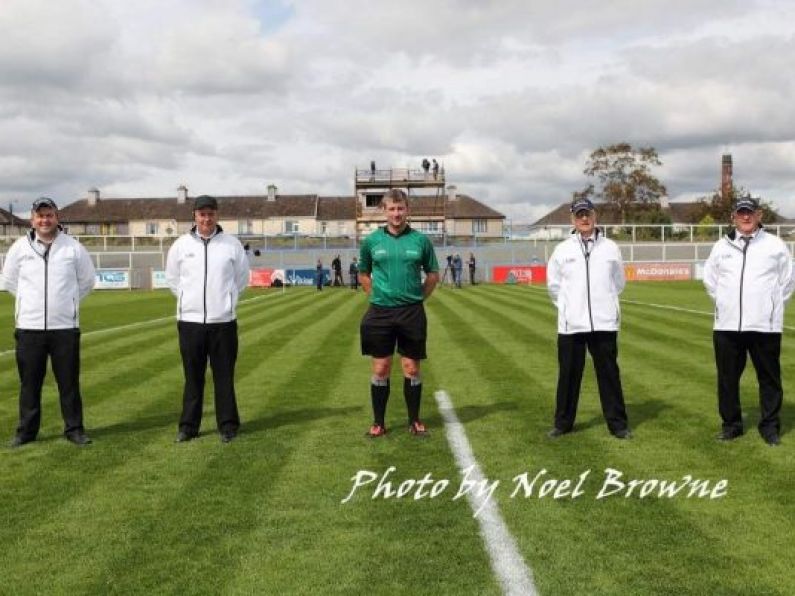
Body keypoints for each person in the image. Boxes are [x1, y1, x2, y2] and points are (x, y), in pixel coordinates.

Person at [3, 197, 96, 448]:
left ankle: (74, 429)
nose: (45, 220)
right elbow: (9, 281)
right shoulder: (19, 248)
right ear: (33, 219)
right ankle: (26, 432)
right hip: (29, 329)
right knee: (29, 384)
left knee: (68, 383)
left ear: (57, 217)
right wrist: (28, 304)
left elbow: (87, 281)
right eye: (40, 215)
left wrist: (68, 303)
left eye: (49, 215)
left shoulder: (73, 247)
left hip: (65, 328)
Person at [703, 196, 794, 446]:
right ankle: (731, 425)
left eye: (750, 213)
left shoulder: (775, 245)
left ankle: (770, 427)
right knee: (727, 379)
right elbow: (710, 281)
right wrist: (724, 304)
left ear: (759, 215)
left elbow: (787, 282)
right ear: (733, 216)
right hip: (727, 326)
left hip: (765, 326)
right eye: (741, 212)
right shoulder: (721, 247)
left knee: (769, 378)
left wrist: (771, 308)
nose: (746, 217)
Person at [165, 195, 250, 443]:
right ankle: (188, 427)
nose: (206, 218)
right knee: (193, 377)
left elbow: (241, 279)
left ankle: (228, 425)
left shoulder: (231, 245)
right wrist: (187, 302)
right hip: (190, 323)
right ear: (194, 216)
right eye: (202, 214)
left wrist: (227, 301)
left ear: (217, 215)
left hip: (222, 322)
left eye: (210, 213)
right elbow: (173, 280)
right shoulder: (180, 245)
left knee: (224, 377)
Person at [546, 198, 631, 440]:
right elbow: (553, 285)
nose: (584, 219)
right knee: (569, 376)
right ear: (572, 219)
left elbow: (618, 282)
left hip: (604, 323)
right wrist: (568, 309)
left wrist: (606, 305)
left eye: (588, 214)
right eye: (579, 215)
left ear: (595, 216)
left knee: (609, 375)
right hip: (571, 325)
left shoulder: (610, 247)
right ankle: (562, 424)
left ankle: (618, 425)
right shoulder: (562, 250)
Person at [358, 189, 439, 437]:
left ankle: (414, 420)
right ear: (384, 211)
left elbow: (433, 275)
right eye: (391, 209)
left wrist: (415, 299)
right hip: (380, 313)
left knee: (411, 368)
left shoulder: (421, 241)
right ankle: (378, 423)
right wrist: (376, 296)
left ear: (407, 210)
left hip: (411, 313)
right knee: (381, 368)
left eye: (400, 208)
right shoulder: (371, 241)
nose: (396, 213)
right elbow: (363, 273)